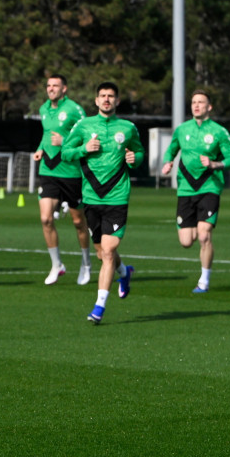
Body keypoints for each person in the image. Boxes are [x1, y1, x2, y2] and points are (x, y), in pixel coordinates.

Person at [61, 81, 143, 324]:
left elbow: (139, 153)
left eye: (111, 96)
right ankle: (124, 272)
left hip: (117, 197)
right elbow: (66, 152)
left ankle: (99, 306)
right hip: (91, 198)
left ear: (117, 101)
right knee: (101, 252)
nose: (106, 99)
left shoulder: (127, 128)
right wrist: (84, 149)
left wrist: (134, 158)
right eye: (102, 96)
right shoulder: (84, 125)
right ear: (96, 101)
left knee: (107, 251)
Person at [160, 90, 230, 293]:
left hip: (209, 187)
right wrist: (168, 161)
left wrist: (215, 163)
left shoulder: (219, 131)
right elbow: (172, 149)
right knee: (186, 241)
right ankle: (195, 228)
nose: (196, 105)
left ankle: (204, 280)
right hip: (186, 188)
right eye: (193, 102)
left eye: (201, 102)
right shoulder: (182, 129)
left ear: (209, 107)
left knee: (204, 236)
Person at [33, 74, 91, 285]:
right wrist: (40, 149)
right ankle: (57, 265)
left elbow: (87, 136)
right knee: (46, 218)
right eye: (48, 85)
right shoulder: (43, 109)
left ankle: (86, 263)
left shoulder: (75, 110)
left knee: (78, 221)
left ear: (64, 88)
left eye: (55, 85)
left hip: (71, 172)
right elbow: (46, 134)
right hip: (48, 169)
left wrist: (64, 140)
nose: (51, 88)